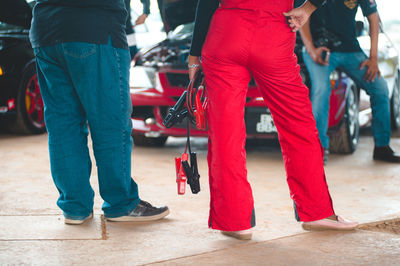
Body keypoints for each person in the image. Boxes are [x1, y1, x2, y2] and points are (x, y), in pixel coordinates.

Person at [188, 0, 358, 240]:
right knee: (298, 126)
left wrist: (194, 56)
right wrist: (307, 9)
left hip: (226, 32)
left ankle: (234, 221)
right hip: (273, 32)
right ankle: (317, 212)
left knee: (225, 134)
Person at [29, 0, 169, 225]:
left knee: (63, 125)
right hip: (94, 28)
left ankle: (75, 207)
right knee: (110, 123)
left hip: (45, 31)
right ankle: (121, 203)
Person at [300, 0, 400, 164]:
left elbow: (374, 18)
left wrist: (373, 59)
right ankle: (319, 148)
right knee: (321, 90)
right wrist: (311, 49)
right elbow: (302, 15)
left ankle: (382, 147)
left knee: (379, 87)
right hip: (318, 49)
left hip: (349, 50)